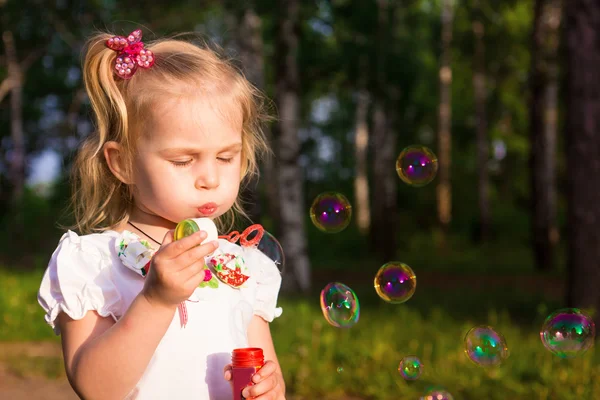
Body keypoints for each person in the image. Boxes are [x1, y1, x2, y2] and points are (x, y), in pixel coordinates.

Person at [37, 28, 285, 400]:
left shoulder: (244, 268)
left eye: (226, 157)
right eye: (183, 160)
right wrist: (156, 300)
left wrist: (270, 389)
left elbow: (269, 375)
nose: (210, 178)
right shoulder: (95, 264)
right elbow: (95, 388)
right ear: (122, 164)